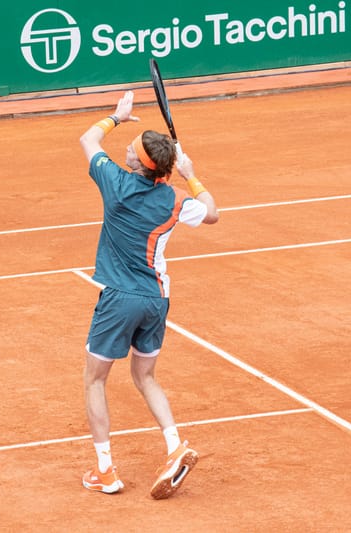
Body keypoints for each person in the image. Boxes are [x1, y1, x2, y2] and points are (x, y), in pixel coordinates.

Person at [78, 90, 219, 499]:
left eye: (133, 149)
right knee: (144, 376)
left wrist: (116, 118)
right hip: (156, 300)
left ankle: (105, 471)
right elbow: (212, 212)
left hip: (119, 298)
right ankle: (175, 445)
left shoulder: (115, 182)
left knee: (94, 380)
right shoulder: (176, 199)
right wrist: (191, 173)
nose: (126, 148)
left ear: (139, 163)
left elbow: (88, 141)